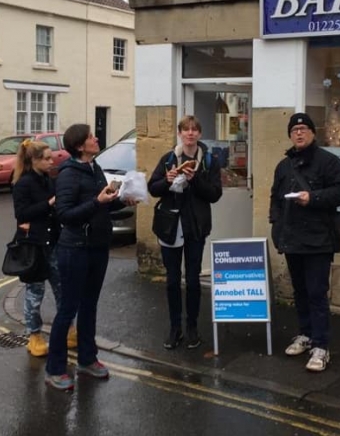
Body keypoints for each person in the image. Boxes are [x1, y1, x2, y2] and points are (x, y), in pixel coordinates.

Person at [45, 124, 136, 391]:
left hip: (97, 246)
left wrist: (122, 200)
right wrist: (97, 202)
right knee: (67, 310)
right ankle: (55, 368)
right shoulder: (68, 175)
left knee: (90, 305)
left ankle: (87, 359)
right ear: (80, 145)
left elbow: (103, 201)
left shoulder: (93, 167)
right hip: (74, 249)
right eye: (91, 137)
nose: (96, 139)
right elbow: (64, 214)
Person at [269, 113, 340, 372]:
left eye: (304, 129)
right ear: (290, 135)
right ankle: (305, 335)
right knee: (300, 291)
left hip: (318, 240)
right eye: (295, 130)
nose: (299, 133)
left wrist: (313, 198)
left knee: (316, 293)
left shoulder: (328, 162)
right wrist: (276, 226)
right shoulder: (284, 166)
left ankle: (321, 346)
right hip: (292, 239)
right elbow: (275, 198)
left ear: (313, 133)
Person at [148, 115, 223, 350]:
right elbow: (153, 188)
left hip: (195, 227)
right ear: (180, 133)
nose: (190, 134)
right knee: (172, 280)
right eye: (186, 130)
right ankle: (174, 328)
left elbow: (215, 194)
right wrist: (167, 180)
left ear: (199, 134)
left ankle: (192, 328)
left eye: (194, 130)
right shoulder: (169, 158)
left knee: (192, 279)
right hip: (170, 226)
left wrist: (195, 179)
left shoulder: (210, 161)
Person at [11, 139, 74, 357]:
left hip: (54, 242)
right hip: (34, 247)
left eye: (51, 157)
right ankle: (34, 336)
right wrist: (48, 204)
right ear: (34, 160)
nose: (51, 161)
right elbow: (21, 214)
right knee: (34, 294)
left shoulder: (48, 179)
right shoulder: (23, 184)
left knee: (63, 289)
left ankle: (68, 329)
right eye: (46, 158)